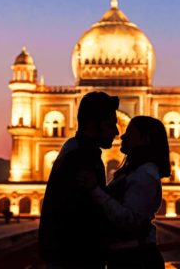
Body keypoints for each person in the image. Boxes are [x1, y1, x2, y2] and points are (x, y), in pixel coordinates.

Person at [38, 91, 119, 269]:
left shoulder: (76, 148)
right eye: (110, 124)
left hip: (66, 255)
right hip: (74, 258)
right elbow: (81, 215)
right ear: (92, 124)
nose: (116, 131)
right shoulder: (81, 156)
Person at [78, 116, 171, 269]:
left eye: (130, 132)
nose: (122, 136)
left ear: (144, 139)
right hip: (127, 256)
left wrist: (95, 190)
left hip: (135, 259)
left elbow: (131, 220)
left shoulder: (145, 174)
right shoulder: (136, 171)